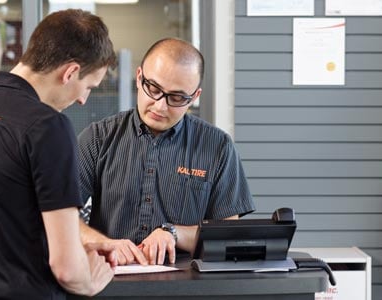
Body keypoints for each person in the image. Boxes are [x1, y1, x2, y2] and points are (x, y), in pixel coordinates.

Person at [0, 9, 117, 299]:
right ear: (71, 72)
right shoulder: (48, 127)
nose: (82, 99)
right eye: (88, 87)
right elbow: (66, 269)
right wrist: (90, 279)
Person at [77, 38, 255, 266]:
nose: (160, 106)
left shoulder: (217, 147)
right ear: (139, 77)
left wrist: (174, 233)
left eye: (177, 98)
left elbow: (228, 236)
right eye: (153, 89)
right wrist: (105, 243)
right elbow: (63, 220)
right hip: (110, 279)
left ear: (195, 96)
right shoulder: (98, 138)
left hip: (188, 285)